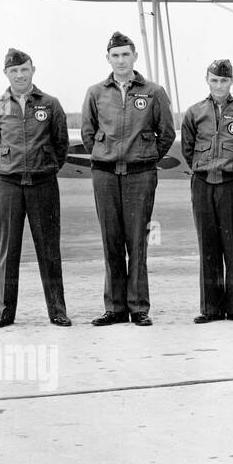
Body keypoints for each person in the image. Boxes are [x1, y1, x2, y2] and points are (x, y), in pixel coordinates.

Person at [81, 31, 175, 327]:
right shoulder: (96, 92)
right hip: (105, 175)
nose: (121, 60)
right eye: (115, 55)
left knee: (137, 242)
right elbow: (87, 134)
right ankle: (115, 308)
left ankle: (138, 308)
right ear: (108, 59)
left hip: (140, 176)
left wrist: (145, 157)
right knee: (111, 242)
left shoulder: (153, 91)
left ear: (135, 57)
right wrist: (106, 153)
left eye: (125, 54)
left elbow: (167, 133)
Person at [0, 47, 71, 327]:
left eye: (24, 69)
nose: (20, 75)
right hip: (8, 184)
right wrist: (5, 169)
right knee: (8, 251)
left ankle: (57, 311)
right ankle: (4, 313)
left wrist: (45, 166)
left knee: (49, 249)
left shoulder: (50, 103)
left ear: (33, 70)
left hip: (43, 183)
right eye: (14, 71)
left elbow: (61, 145)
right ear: (6, 74)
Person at [181, 59, 233, 323]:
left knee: (232, 246)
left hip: (232, 185)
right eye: (214, 80)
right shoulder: (195, 112)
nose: (219, 85)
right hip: (203, 184)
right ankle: (210, 309)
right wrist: (205, 170)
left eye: (224, 81)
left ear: (232, 82)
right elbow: (187, 149)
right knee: (208, 247)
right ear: (207, 80)